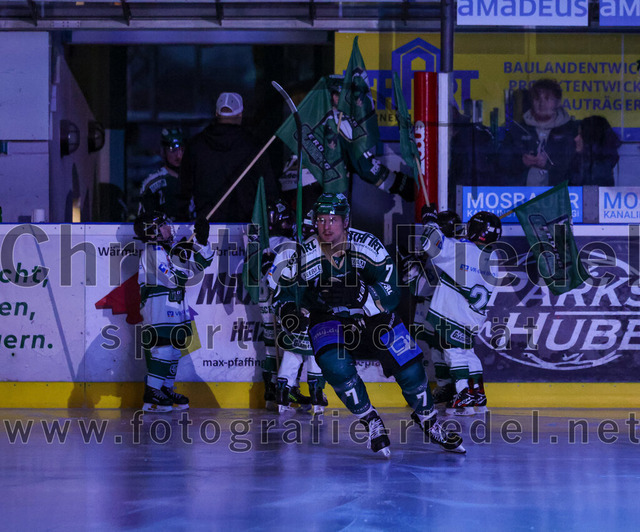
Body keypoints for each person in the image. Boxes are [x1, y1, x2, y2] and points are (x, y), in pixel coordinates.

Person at [273, 192, 465, 456]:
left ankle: (429, 421)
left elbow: (393, 291)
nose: (326, 226)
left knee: (410, 366)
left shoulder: (368, 245)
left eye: (333, 219)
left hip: (372, 315)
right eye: (321, 219)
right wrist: (289, 313)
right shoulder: (303, 253)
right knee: (335, 366)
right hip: (328, 318)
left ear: (346, 221)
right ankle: (371, 421)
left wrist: (361, 293)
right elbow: (283, 294)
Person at [419, 207, 501, 415]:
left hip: (453, 314)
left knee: (454, 353)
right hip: (473, 316)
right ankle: (478, 395)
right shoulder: (494, 259)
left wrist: (430, 221)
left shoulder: (462, 250)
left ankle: (463, 395)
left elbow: (431, 243)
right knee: (468, 353)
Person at [134, 211, 213, 412]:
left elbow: (201, 265)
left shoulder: (169, 249)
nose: (168, 227)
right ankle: (152, 391)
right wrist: (181, 256)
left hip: (175, 304)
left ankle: (165, 389)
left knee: (175, 349)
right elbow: (173, 279)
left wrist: (202, 241)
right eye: (163, 225)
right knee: (163, 347)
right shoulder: (152, 252)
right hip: (158, 305)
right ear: (152, 231)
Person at [258, 200, 327, 414]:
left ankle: (283, 391)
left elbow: (272, 281)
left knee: (292, 351)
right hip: (303, 309)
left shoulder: (288, 248)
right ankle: (316, 393)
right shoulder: (318, 250)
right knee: (314, 350)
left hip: (289, 308)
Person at [178, 92, 276, 222]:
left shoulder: (195, 145)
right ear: (240, 114)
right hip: (246, 226)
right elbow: (269, 189)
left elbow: (183, 190)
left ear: (216, 114)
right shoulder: (254, 146)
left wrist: (182, 219)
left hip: (206, 226)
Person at [401, 210, 464, 407]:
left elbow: (424, 288)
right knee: (440, 349)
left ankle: (459, 390)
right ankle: (450, 388)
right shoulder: (453, 248)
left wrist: (411, 270)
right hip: (444, 308)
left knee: (450, 351)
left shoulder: (448, 250)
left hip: (447, 309)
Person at [499, 79, 578, 186]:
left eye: (547, 99)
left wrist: (549, 165)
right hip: (522, 194)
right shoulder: (518, 129)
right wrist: (521, 162)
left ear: (558, 102)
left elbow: (577, 168)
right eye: (537, 99)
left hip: (559, 193)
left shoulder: (571, 130)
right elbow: (501, 163)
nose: (542, 103)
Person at [138, 128, 186, 221]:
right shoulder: (152, 183)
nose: (179, 155)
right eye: (173, 150)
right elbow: (144, 220)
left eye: (182, 150)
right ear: (163, 152)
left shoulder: (194, 179)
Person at [570, 115, 621, 187]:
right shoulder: (580, 162)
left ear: (590, 139)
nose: (576, 139)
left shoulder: (595, 170)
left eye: (581, 135)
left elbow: (590, 192)